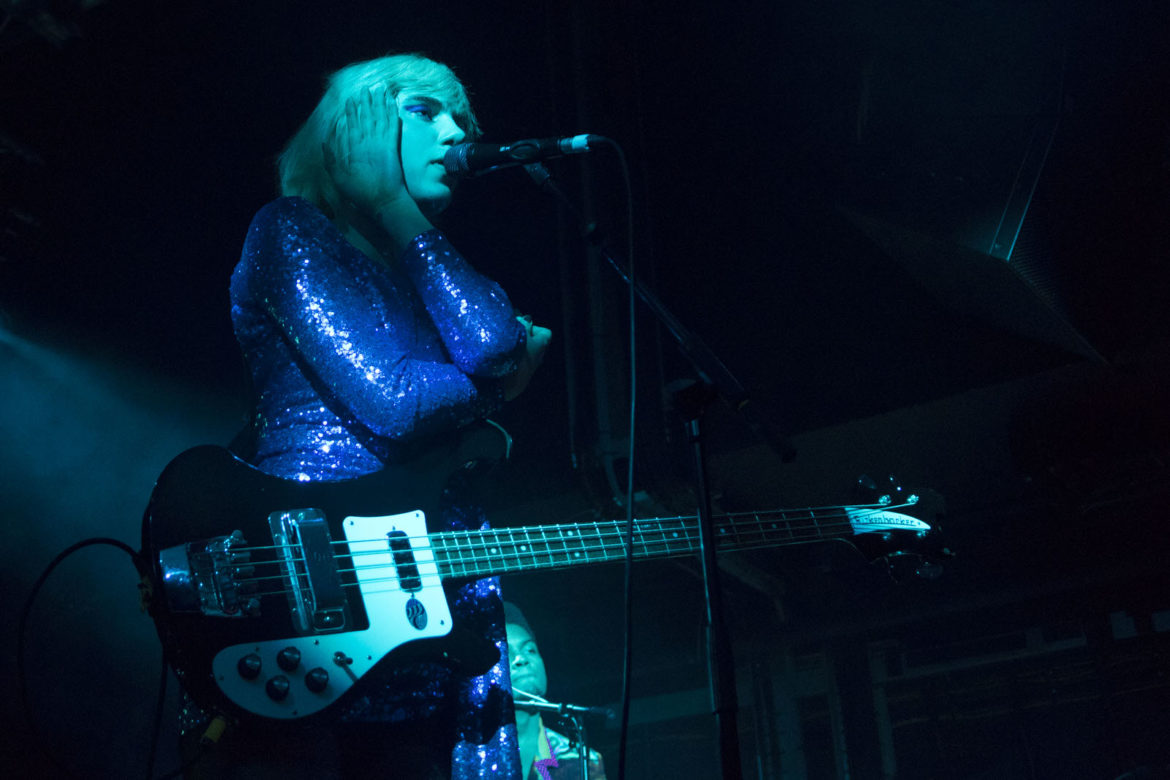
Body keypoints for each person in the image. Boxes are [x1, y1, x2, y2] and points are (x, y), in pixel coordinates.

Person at [183, 53, 552, 778]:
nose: (456, 133)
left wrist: (398, 214)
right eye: (426, 110)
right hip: (316, 591)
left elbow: (497, 341)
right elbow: (399, 402)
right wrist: (497, 392)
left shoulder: (427, 262)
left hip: (433, 599)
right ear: (353, 128)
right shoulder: (290, 230)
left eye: (464, 119)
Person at [505, 603, 608, 780]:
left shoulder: (581, 761)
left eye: (530, 650)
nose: (521, 659)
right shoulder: (465, 756)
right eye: (507, 654)